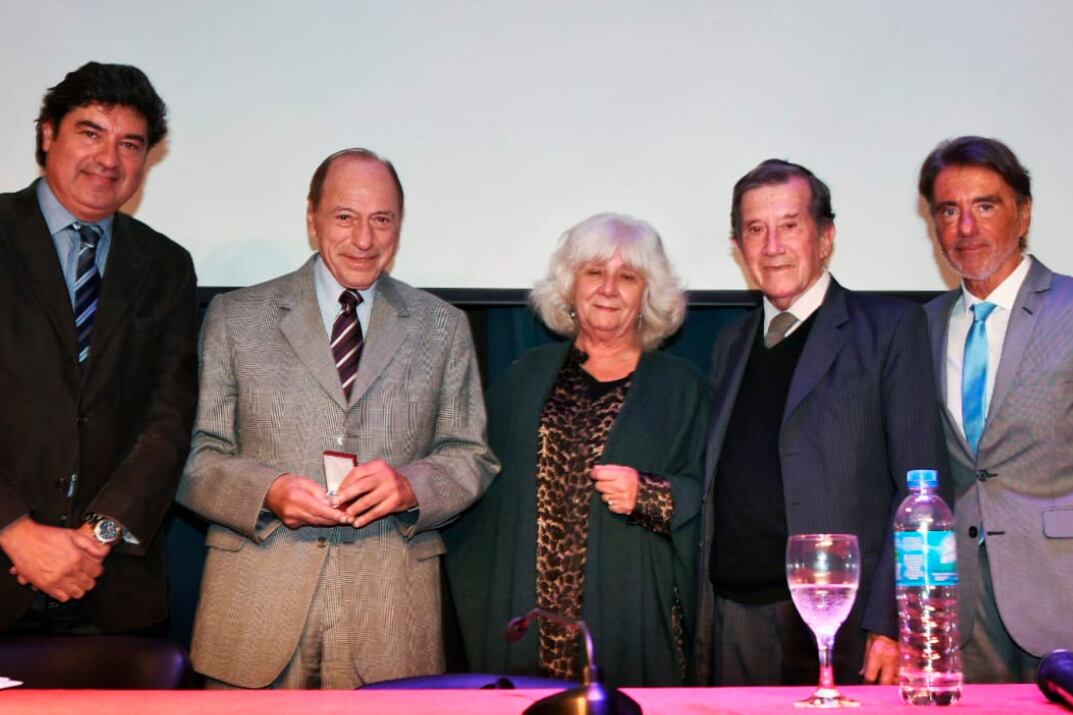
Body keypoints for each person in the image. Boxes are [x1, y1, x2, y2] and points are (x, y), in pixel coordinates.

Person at [177, 147, 497, 689]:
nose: (364, 239)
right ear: (312, 218)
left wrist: (409, 486)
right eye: (346, 217)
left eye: (382, 219)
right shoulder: (236, 317)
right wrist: (268, 492)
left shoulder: (443, 327)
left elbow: (472, 456)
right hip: (255, 609)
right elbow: (196, 458)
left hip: (389, 617)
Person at [694, 159, 950, 686]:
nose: (772, 245)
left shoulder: (889, 329)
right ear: (739, 247)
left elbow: (922, 487)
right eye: (755, 230)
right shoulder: (729, 345)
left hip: (839, 622)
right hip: (731, 616)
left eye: (790, 225)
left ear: (825, 237)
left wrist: (893, 623)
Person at [444, 213, 709, 686]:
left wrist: (650, 495)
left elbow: (710, 492)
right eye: (594, 272)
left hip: (631, 614)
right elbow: (479, 481)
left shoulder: (681, 387)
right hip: (527, 616)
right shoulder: (524, 377)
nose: (608, 288)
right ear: (571, 285)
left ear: (647, 295)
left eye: (627, 277)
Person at [0, 62, 198, 635]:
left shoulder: (166, 266)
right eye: (90, 132)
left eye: (129, 143)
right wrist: (14, 529)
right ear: (47, 134)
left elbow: (169, 418)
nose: (108, 159)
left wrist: (97, 538)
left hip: (109, 589)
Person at [919, 136, 1073, 682]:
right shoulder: (922, 327)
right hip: (960, 608)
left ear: (1023, 212)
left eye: (985, 206)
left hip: (1062, 596)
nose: (966, 228)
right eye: (949, 211)